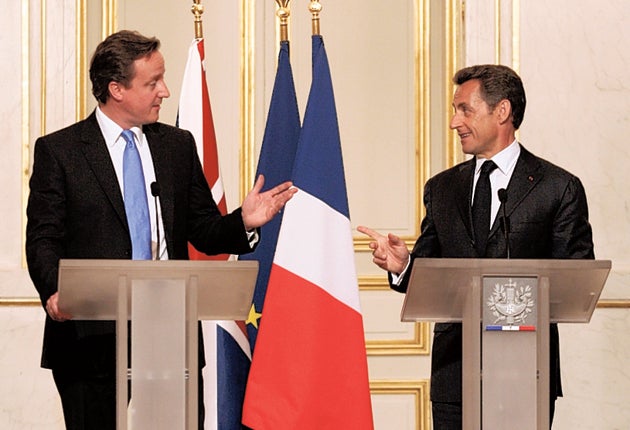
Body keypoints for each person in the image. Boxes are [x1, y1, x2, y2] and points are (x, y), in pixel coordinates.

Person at [25, 30, 296, 430]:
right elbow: (44, 238)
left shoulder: (176, 146)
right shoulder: (61, 151)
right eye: (152, 82)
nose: (165, 91)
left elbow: (203, 230)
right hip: (91, 338)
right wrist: (54, 292)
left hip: (170, 330)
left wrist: (244, 221)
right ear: (116, 89)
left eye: (163, 79)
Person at [358, 64, 594, 429]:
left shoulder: (556, 187)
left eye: (465, 109)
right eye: (455, 110)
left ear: (502, 111)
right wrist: (404, 265)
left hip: (524, 371)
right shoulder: (441, 189)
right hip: (455, 371)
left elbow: (575, 276)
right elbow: (431, 269)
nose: (455, 121)